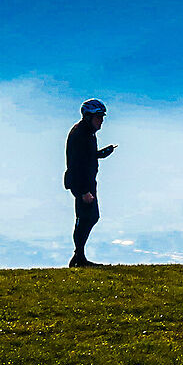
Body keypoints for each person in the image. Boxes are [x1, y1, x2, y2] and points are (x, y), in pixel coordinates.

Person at [64, 99, 117, 267]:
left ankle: (79, 256)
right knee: (86, 217)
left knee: (89, 217)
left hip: (85, 183)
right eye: (98, 116)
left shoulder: (87, 133)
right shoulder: (81, 134)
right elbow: (77, 164)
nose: (101, 120)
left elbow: (87, 156)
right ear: (88, 117)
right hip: (82, 184)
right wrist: (84, 190)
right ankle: (79, 257)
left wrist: (101, 154)